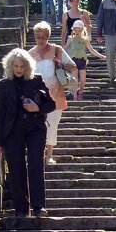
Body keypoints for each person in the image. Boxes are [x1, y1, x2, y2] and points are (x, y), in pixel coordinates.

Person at [0, 47, 56, 218]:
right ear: (10, 66)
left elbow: (51, 105)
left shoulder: (36, 80)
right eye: (16, 66)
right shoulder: (4, 85)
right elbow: (1, 114)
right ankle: (21, 209)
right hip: (12, 132)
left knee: (36, 165)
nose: (19, 70)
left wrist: (37, 107)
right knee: (17, 169)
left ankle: (38, 206)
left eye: (22, 66)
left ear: (28, 66)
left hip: (35, 128)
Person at [28, 21, 77, 165]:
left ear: (48, 36)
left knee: (52, 125)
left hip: (56, 94)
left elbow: (73, 67)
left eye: (43, 37)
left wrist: (59, 63)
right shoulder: (30, 54)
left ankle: (49, 155)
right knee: (37, 126)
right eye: (38, 37)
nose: (41, 40)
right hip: (36, 97)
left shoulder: (57, 50)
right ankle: (37, 154)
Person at [65, 19, 106, 100]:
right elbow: (64, 48)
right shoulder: (70, 39)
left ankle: (81, 91)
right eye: (75, 30)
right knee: (75, 79)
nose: (77, 32)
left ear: (82, 30)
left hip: (82, 61)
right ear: (73, 30)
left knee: (83, 80)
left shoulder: (85, 39)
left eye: (79, 30)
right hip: (73, 61)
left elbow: (91, 50)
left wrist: (100, 55)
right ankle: (75, 96)